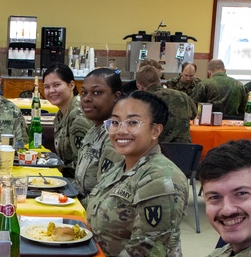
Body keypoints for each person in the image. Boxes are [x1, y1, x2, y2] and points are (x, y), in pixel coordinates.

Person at [86, 91, 190, 257]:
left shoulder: (161, 178)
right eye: (115, 122)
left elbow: (145, 254)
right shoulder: (122, 167)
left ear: (155, 130)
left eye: (133, 122)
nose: (121, 130)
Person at [73, 67, 123, 201]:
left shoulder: (117, 135)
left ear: (115, 97)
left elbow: (106, 194)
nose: (86, 99)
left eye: (96, 92)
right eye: (84, 92)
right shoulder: (96, 128)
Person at [43, 63, 92, 178]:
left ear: (71, 85)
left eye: (56, 85)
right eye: (47, 87)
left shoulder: (78, 116)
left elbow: (83, 162)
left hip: (80, 183)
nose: (51, 91)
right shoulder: (61, 114)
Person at [135, 63, 194, 144]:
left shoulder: (142, 101)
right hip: (185, 150)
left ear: (139, 86)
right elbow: (194, 114)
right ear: (159, 80)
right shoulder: (183, 96)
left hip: (156, 150)